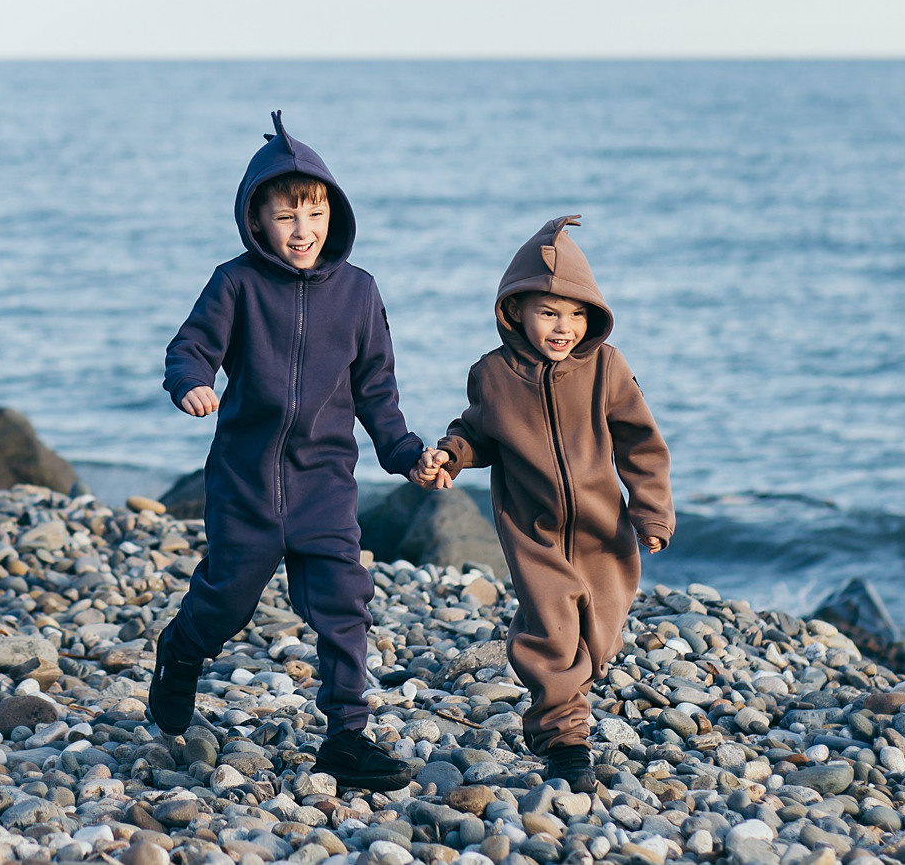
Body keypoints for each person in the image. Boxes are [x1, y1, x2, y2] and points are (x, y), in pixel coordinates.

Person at [152, 111, 424, 792]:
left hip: (324, 484)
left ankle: (346, 737)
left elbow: (377, 392)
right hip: (246, 482)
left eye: (314, 212)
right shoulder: (236, 282)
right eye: (286, 216)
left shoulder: (359, 291)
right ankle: (180, 652)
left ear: (333, 213)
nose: (302, 230)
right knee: (226, 600)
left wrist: (407, 453)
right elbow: (191, 348)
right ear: (258, 222)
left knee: (344, 601)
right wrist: (192, 383)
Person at [410, 215, 673, 793]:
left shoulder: (606, 367)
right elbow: (476, 431)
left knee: (599, 636)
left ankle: (569, 695)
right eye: (550, 313)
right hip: (532, 529)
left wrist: (650, 508)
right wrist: (449, 458)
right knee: (552, 628)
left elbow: (639, 440)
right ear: (517, 311)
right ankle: (563, 737)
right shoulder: (494, 373)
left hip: (604, 529)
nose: (564, 327)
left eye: (577, 313)